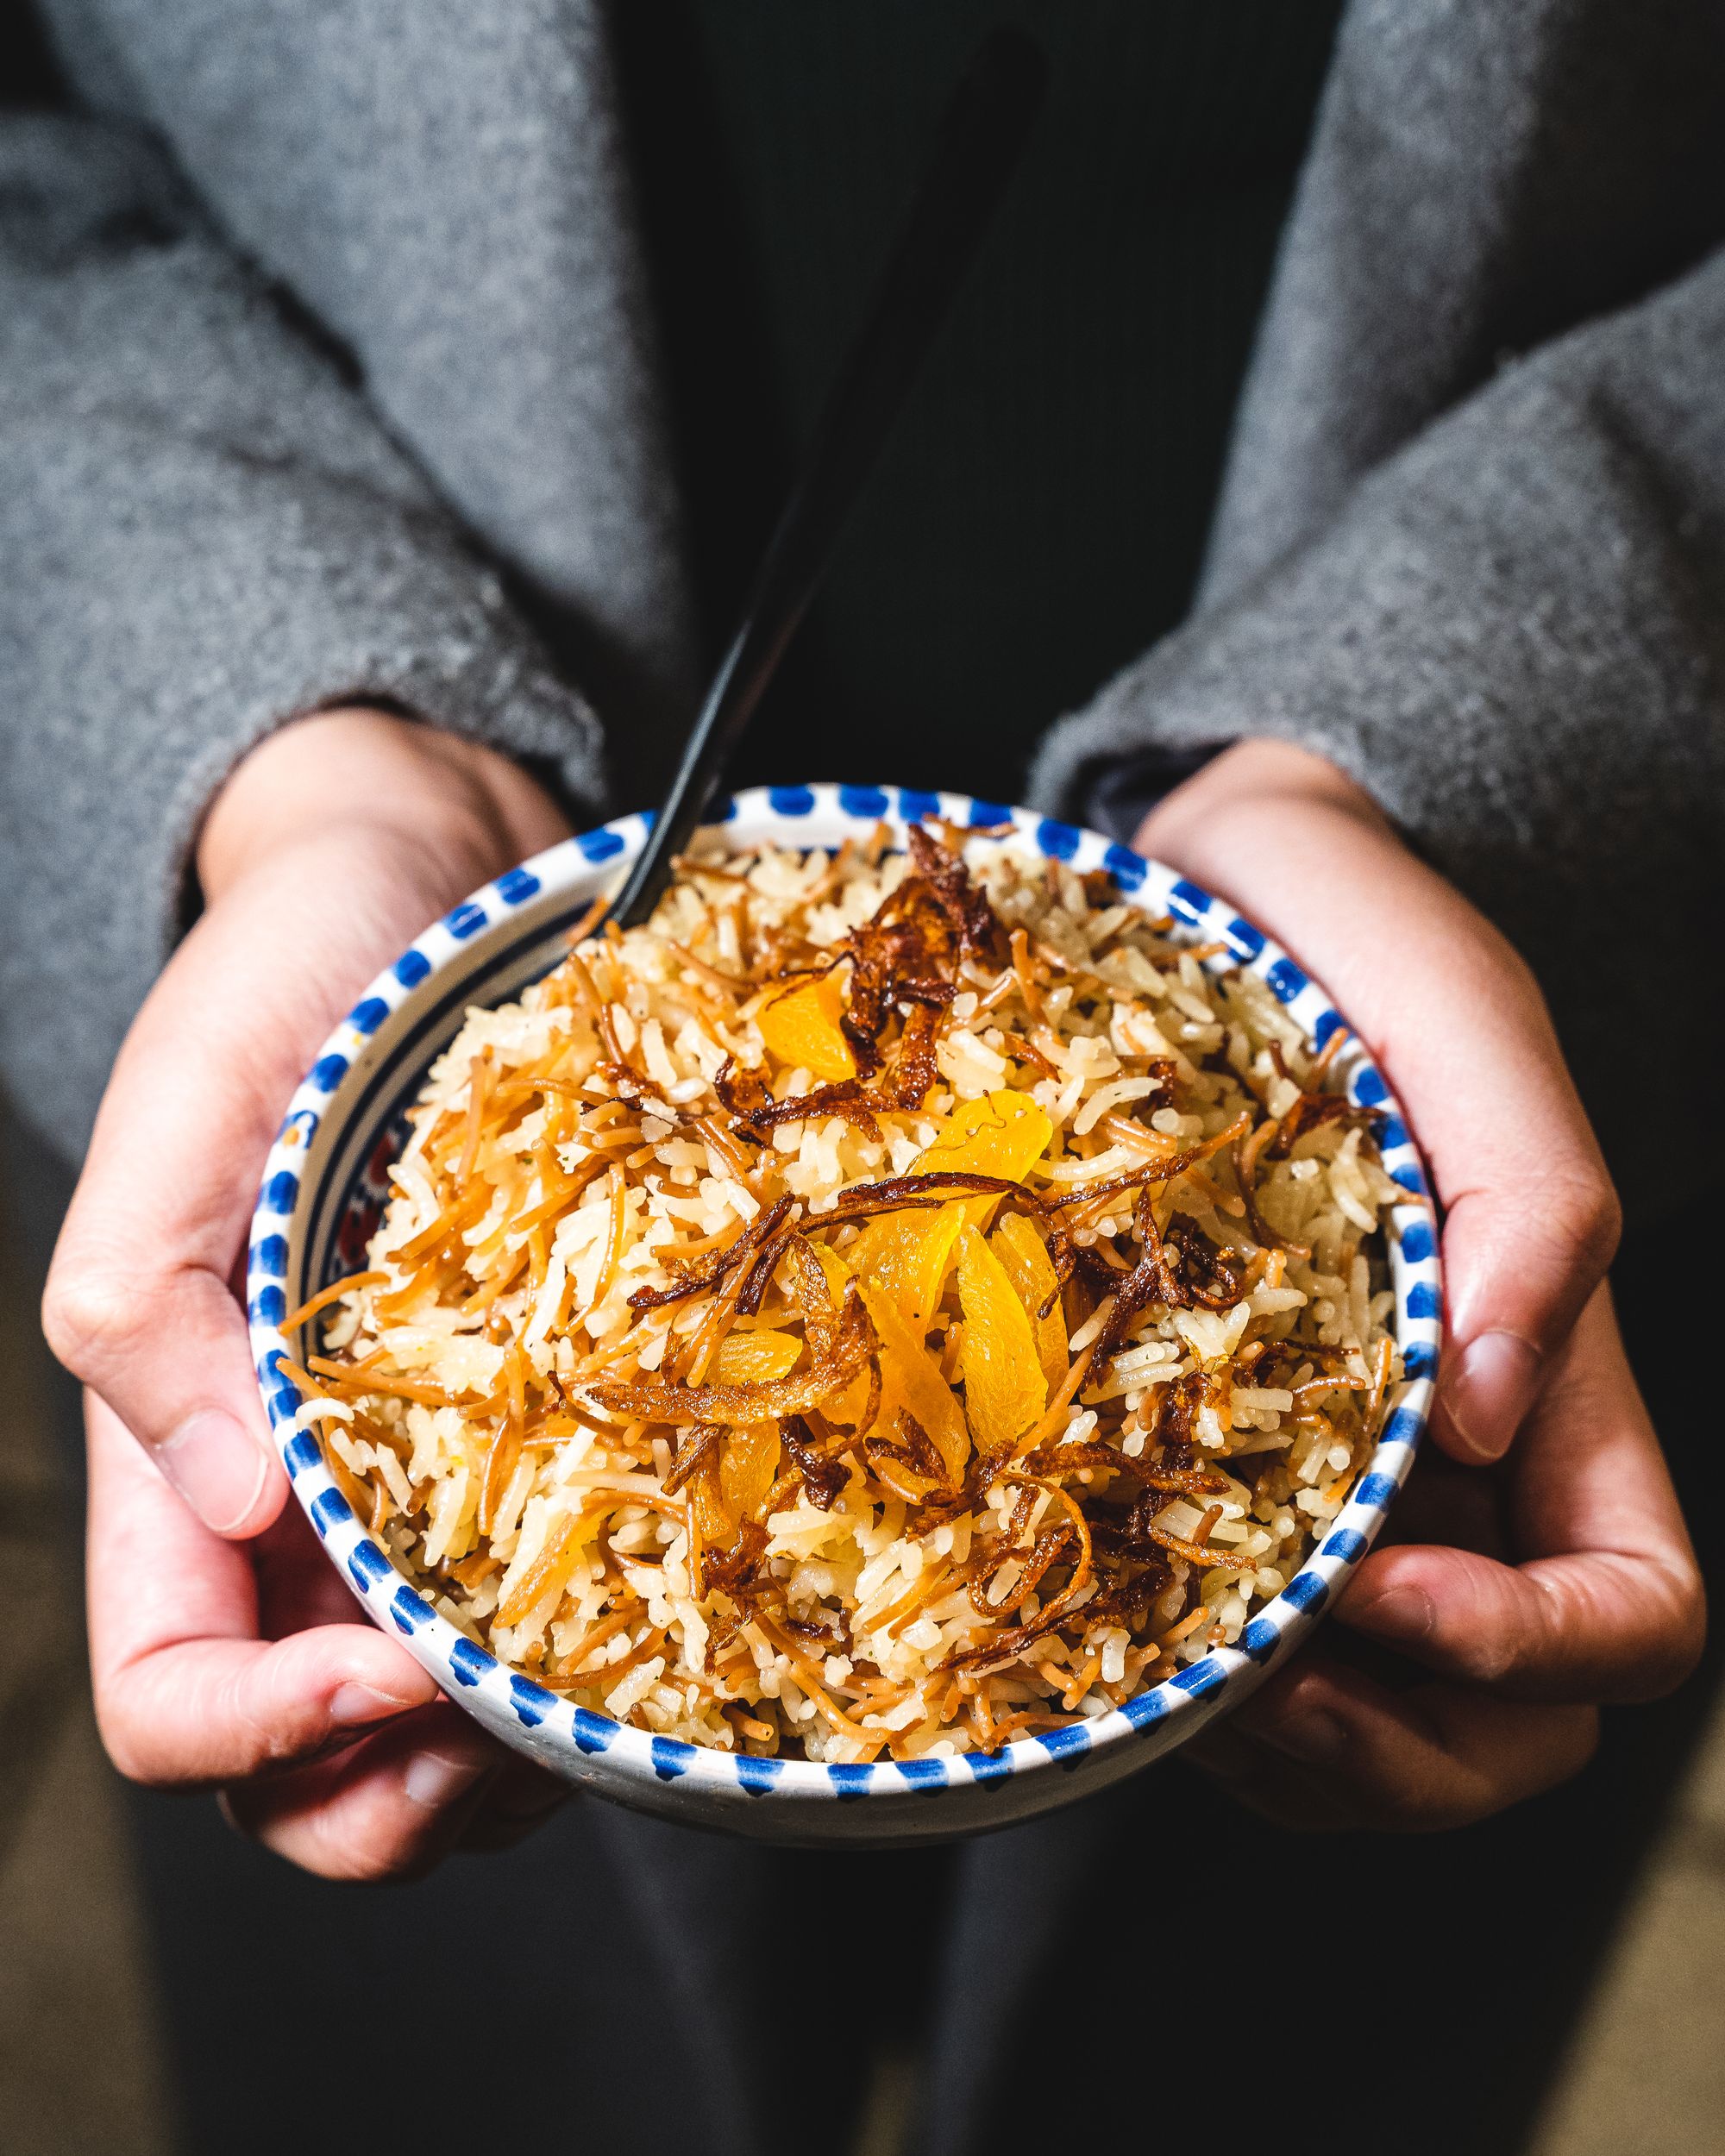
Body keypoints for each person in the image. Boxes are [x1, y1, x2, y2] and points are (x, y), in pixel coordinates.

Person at [3, 4, 1718, 2153]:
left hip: (1486, 1036)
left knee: (1278, 2029)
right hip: (458, 1163)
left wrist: (1440, 746)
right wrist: (304, 758)